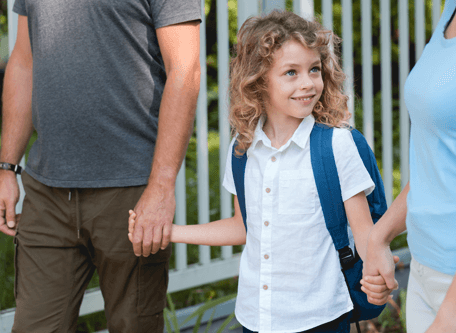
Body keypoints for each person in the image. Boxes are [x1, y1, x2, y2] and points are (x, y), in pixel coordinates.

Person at [129, 10, 377, 333]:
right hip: (256, 319)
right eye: (291, 72)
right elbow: (243, 227)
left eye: (314, 69)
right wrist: (172, 232)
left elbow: (366, 236)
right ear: (259, 81)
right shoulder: (243, 149)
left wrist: (380, 269)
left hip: (321, 318)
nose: (307, 83)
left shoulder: (336, 145)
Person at [0, 0, 201, 332]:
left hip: (131, 192)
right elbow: (24, 62)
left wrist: (162, 187)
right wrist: (7, 167)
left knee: (134, 325)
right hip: (47, 192)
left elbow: (186, 69)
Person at [360, 0, 456, 332]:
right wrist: (379, 236)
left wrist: (449, 320)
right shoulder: (453, 9)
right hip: (424, 274)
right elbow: (441, 161)